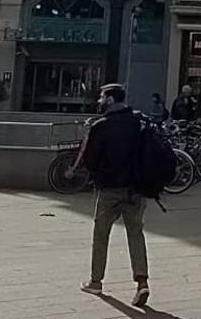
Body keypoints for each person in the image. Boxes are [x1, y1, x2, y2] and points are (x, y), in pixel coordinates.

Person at [77, 83, 151, 307]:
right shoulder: (140, 122)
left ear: (110, 100)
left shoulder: (102, 126)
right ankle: (142, 282)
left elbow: (89, 161)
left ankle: (96, 281)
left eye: (102, 97)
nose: (99, 101)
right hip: (136, 189)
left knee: (101, 235)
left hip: (109, 188)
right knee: (136, 234)